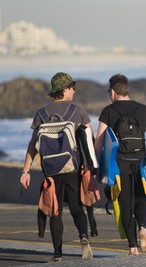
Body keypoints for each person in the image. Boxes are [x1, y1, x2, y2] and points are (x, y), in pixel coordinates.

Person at [19, 72, 94, 262]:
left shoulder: (41, 114)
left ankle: (58, 253)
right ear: (66, 89)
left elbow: (32, 145)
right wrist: (93, 166)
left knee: (55, 211)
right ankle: (84, 237)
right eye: (72, 87)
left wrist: (26, 170)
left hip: (51, 170)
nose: (74, 91)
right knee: (77, 208)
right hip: (72, 168)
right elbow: (89, 141)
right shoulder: (77, 111)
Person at [94, 73, 146, 255]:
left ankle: (133, 247)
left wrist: (98, 165)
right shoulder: (142, 109)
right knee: (140, 198)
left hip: (119, 163)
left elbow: (99, 141)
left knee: (125, 203)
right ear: (127, 89)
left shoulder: (108, 111)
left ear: (112, 91)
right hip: (140, 161)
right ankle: (143, 228)